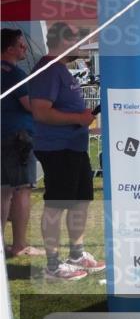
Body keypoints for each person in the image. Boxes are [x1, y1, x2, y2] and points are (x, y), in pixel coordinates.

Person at [29, 23, 104, 281]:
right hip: (57, 148)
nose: (81, 43)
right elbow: (40, 111)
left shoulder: (60, 69)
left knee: (80, 201)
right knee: (57, 204)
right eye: (77, 38)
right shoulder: (48, 70)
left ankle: (77, 254)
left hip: (74, 147)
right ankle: (52, 264)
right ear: (64, 40)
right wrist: (78, 118)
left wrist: (82, 121)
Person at [1, 29, 42, 257]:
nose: (24, 48)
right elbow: (30, 106)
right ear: (9, 49)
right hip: (17, 138)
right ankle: (20, 244)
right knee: (22, 190)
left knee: (3, 191)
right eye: (20, 45)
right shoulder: (15, 74)